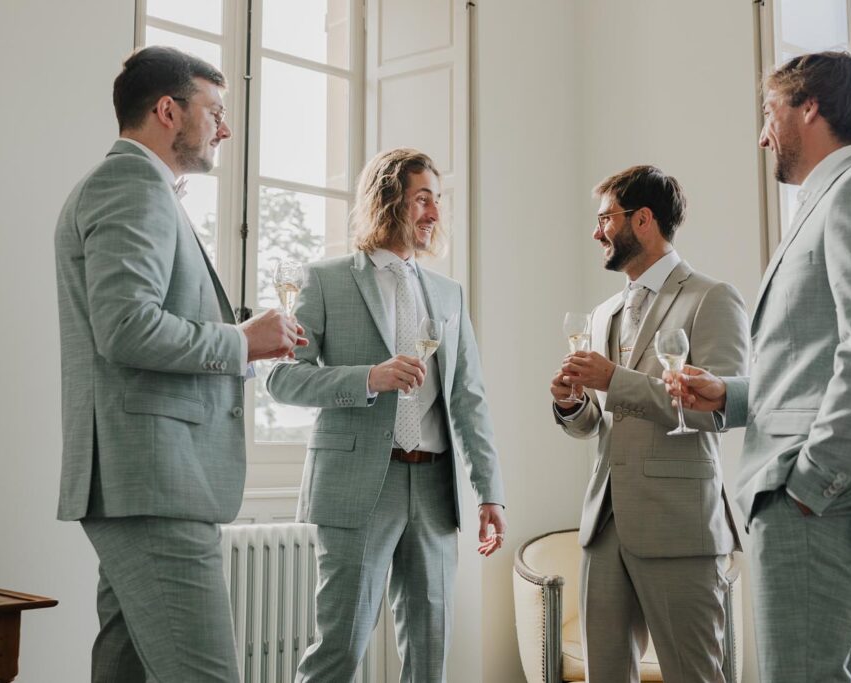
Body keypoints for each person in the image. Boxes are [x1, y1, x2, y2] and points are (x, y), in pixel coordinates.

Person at [666, 52, 851, 682]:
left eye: (768, 112)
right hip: (801, 493)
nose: (762, 135)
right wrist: (727, 396)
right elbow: (812, 371)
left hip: (810, 495)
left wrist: (812, 484)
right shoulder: (831, 198)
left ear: (809, 107)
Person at [54, 46, 304, 682]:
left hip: (142, 478)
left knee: (124, 671)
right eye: (214, 111)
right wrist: (240, 341)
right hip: (154, 480)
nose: (223, 128)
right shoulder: (130, 184)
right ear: (168, 111)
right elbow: (127, 327)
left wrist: (246, 345)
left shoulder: (139, 189)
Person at [266, 147, 507, 683]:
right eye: (423, 198)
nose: (434, 214)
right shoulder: (325, 280)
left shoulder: (448, 294)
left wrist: (490, 491)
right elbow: (281, 378)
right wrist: (369, 378)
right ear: (388, 198)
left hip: (434, 488)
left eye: (437, 201)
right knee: (340, 649)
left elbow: (468, 397)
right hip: (356, 486)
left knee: (429, 653)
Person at [550, 165, 749, 682]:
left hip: (678, 524)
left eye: (605, 219)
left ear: (642, 220)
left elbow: (714, 411)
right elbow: (603, 424)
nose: (596, 232)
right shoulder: (602, 313)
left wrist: (614, 379)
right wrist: (574, 406)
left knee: (694, 675)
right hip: (604, 525)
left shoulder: (711, 298)